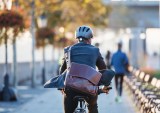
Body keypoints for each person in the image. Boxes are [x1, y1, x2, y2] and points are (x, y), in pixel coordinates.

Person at [60, 25, 112, 113]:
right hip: (90, 89)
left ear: (77, 38)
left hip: (71, 89)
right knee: (92, 106)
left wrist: (61, 86)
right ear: (89, 39)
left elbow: (62, 71)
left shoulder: (68, 50)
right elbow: (103, 70)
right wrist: (105, 86)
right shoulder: (95, 50)